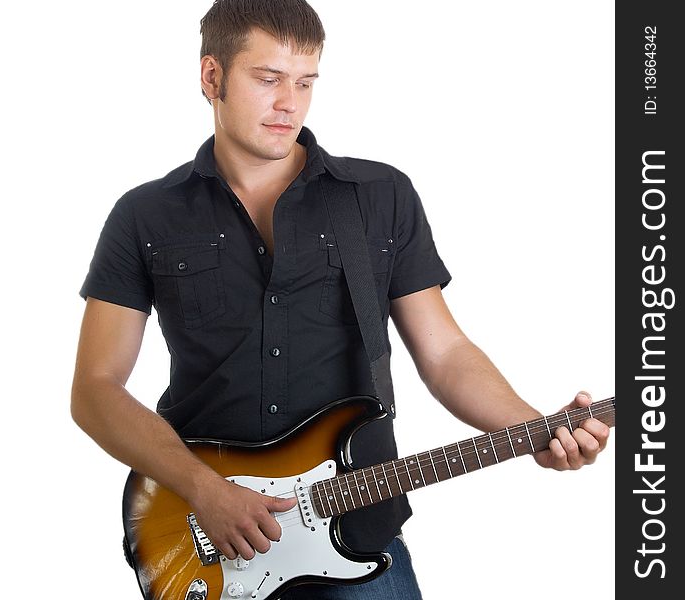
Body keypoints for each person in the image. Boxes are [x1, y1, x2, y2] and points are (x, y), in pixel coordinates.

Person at [71, 1, 611, 598]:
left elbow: (446, 353)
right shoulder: (145, 215)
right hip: (202, 537)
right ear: (211, 77)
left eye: (305, 83)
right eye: (268, 79)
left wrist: (535, 428)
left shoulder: (379, 197)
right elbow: (95, 389)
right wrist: (204, 489)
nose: (289, 104)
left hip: (355, 531)